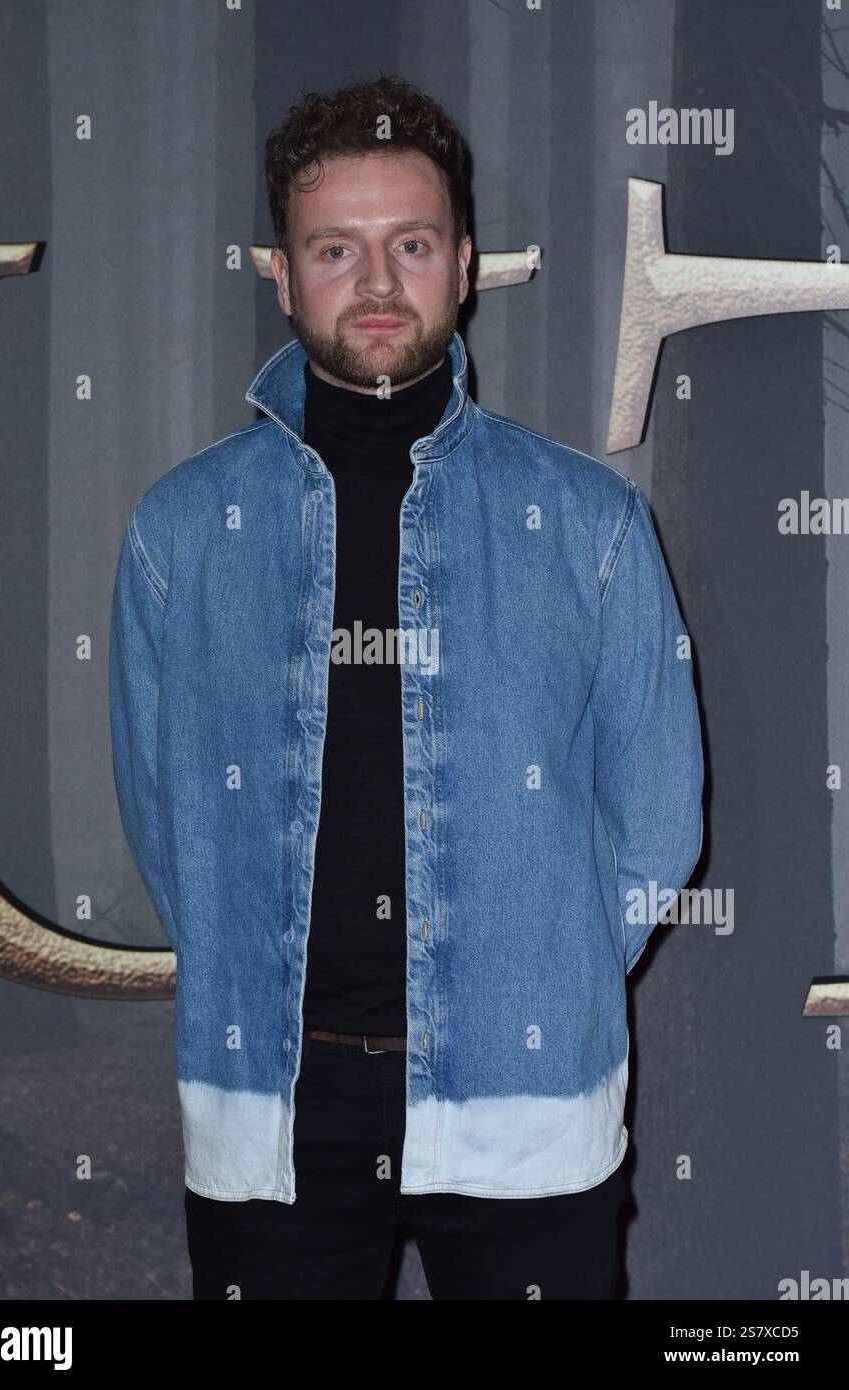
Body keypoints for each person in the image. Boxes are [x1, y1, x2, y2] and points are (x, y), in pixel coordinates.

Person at [108, 73, 704, 1300]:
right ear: (282, 273)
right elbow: (168, 819)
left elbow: (657, 823)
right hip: (272, 1113)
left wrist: (537, 978)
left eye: (411, 244)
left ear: (465, 264)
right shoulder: (182, 528)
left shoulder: (586, 522)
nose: (377, 284)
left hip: (528, 1101)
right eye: (337, 248)